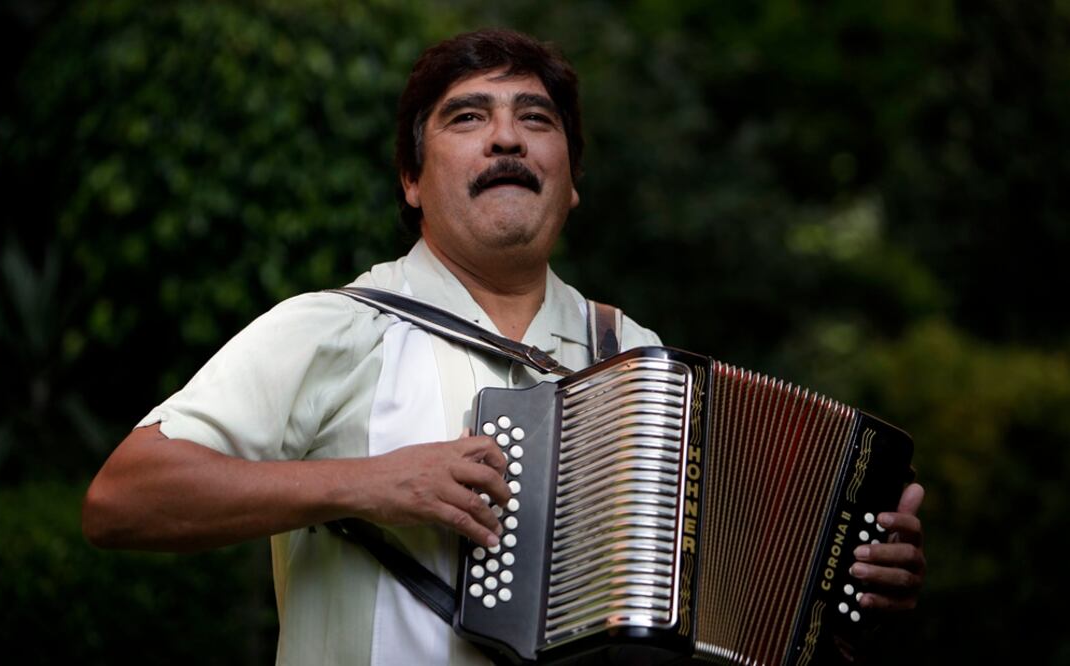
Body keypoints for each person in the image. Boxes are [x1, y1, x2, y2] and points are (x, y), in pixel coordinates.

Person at [82, 28, 925, 665]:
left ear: (573, 179)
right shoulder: (335, 328)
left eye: (536, 119)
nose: (508, 138)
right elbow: (121, 500)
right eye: (467, 118)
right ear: (412, 182)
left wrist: (841, 580)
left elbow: (709, 601)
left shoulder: (636, 358)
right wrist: (365, 482)